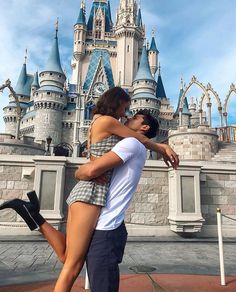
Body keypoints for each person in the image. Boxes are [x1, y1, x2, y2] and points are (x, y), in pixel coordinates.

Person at [0, 87, 179, 292]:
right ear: (117, 102)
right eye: (126, 108)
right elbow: (141, 140)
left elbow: (136, 140)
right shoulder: (110, 123)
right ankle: (31, 214)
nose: (126, 114)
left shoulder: (100, 122)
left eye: (132, 113)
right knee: (72, 266)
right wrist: (163, 147)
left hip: (88, 192)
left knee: (68, 256)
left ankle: (31, 214)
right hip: (92, 193)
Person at [75, 110, 164, 292]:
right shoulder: (131, 144)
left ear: (144, 127)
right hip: (107, 225)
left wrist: (79, 172)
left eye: (135, 117)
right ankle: (34, 217)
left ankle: (34, 216)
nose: (127, 117)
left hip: (106, 227)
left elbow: (90, 171)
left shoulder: (131, 143)